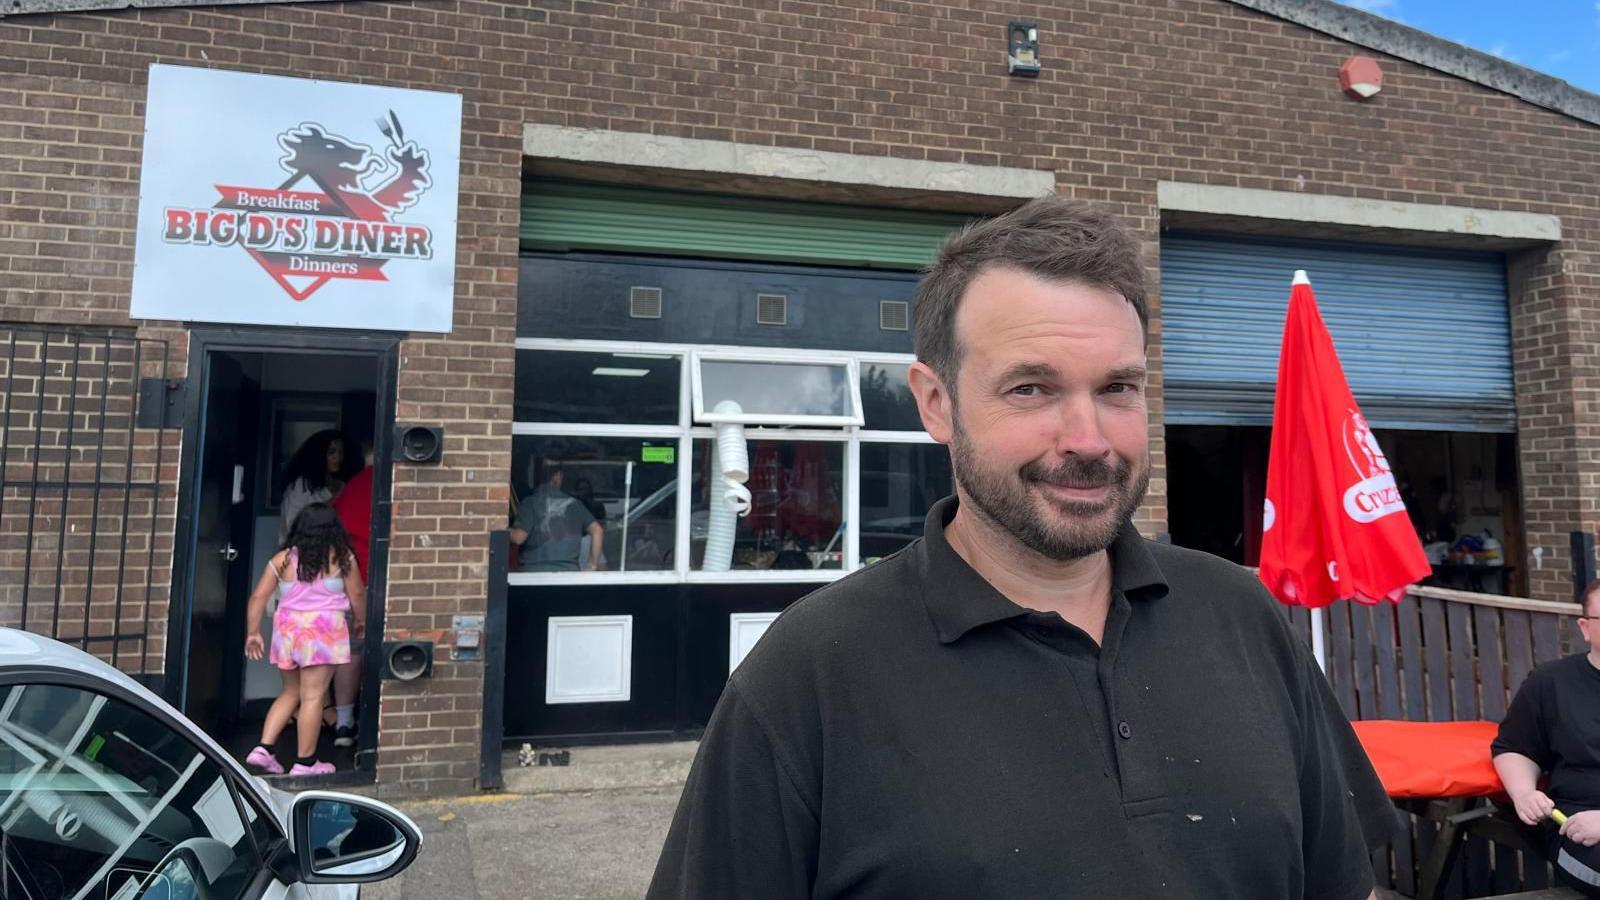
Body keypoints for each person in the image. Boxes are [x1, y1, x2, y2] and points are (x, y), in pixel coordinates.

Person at [648, 196, 1390, 900]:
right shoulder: (811, 671)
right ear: (936, 404)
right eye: (1031, 389)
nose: (1088, 440)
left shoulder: (1240, 615)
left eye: (1118, 389)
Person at [1492, 578, 1600, 895]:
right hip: (1578, 829)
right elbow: (1515, 747)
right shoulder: (1551, 683)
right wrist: (1524, 792)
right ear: (1585, 627)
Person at [243, 503, 365, 776]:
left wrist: (252, 633)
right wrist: (360, 621)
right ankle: (305, 763)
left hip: (287, 633)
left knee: (290, 692)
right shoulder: (342, 558)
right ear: (333, 529)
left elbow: (258, 597)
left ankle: (264, 749)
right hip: (322, 633)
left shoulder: (282, 560)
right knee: (313, 697)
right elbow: (357, 594)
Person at [329, 438, 375, 749]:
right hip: (377, 578)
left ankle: (344, 722)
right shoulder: (386, 484)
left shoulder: (348, 490)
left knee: (350, 653)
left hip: (345, 579)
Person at [510, 459, 604, 571]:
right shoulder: (574, 504)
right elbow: (597, 530)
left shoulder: (529, 503)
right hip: (568, 577)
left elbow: (518, 537)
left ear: (536, 478)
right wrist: (591, 568)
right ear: (558, 476)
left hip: (534, 577)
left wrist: (504, 531)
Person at [278, 429, 350, 544]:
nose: (338, 457)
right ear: (320, 455)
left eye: (341, 452)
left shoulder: (340, 484)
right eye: (331, 452)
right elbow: (293, 524)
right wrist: (333, 500)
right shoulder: (301, 485)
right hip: (300, 551)